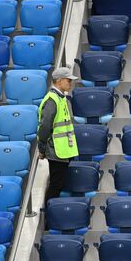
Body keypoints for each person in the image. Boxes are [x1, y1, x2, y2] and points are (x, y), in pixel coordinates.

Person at [37, 67, 79, 204]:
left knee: (58, 185)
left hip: (62, 150)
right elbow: (44, 128)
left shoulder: (61, 98)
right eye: (68, 80)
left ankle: (53, 216)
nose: (70, 83)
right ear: (59, 81)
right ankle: (49, 219)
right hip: (56, 151)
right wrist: (42, 149)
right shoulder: (52, 100)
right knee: (56, 186)